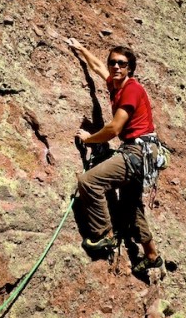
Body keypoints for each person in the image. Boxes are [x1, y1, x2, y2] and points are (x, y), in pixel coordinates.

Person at [67, 37, 164, 274]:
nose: (115, 67)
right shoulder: (115, 83)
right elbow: (98, 68)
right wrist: (81, 49)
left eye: (121, 63)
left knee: (89, 181)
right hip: (143, 155)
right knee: (131, 210)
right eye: (113, 63)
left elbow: (114, 129)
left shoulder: (131, 90)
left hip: (136, 152)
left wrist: (88, 139)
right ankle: (152, 256)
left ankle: (104, 235)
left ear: (130, 67)